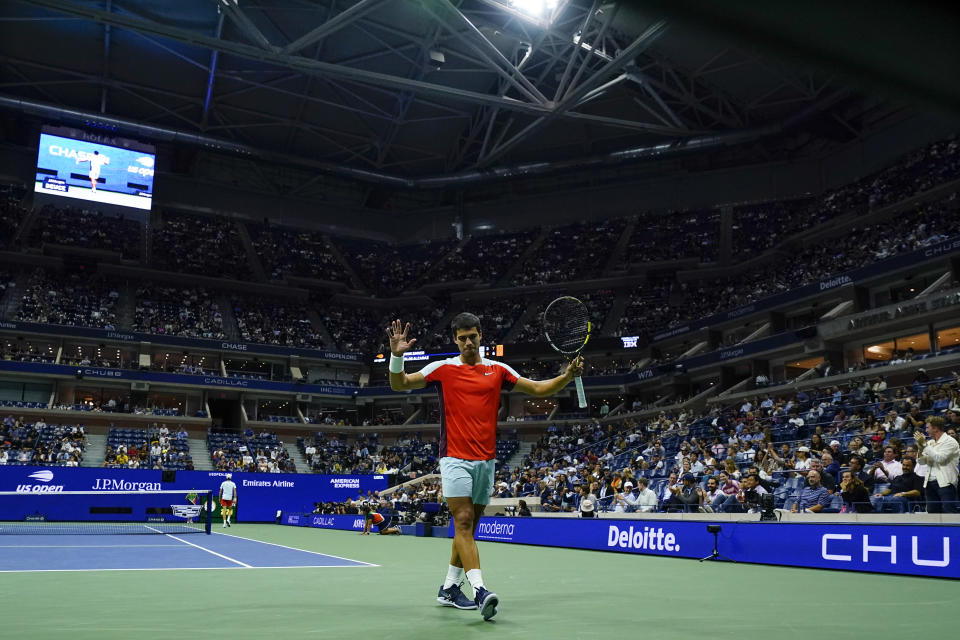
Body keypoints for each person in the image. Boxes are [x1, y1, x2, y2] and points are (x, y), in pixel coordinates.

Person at [388, 313, 584, 620]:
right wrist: (396, 356)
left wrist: (567, 377)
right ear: (455, 340)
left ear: (481, 336)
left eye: (472, 337)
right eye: (462, 338)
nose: (468, 342)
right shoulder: (442, 369)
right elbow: (399, 384)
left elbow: (537, 389)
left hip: (486, 461)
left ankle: (449, 588)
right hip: (454, 457)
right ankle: (480, 590)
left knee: (468, 528)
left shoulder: (498, 370)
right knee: (463, 520)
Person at [914, 416, 960, 513]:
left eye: (927, 427)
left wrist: (925, 445)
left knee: (949, 512)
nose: (926, 430)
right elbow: (921, 462)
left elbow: (940, 458)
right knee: (932, 514)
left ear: (935, 428)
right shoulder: (930, 443)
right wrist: (921, 448)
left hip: (945, 482)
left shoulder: (950, 441)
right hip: (929, 483)